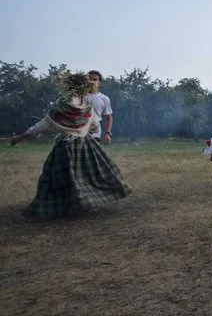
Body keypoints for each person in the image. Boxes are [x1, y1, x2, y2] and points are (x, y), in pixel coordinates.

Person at [10, 72, 131, 220]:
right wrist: (85, 129)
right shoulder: (86, 105)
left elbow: (43, 124)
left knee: (61, 179)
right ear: (84, 86)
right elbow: (94, 126)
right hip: (85, 144)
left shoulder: (62, 104)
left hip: (65, 147)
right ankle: (87, 202)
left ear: (69, 86)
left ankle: (62, 207)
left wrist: (20, 137)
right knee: (91, 174)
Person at [87, 70, 113, 144]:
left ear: (99, 83)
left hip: (95, 133)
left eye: (95, 79)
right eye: (89, 79)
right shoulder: (80, 96)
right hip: (79, 132)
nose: (91, 82)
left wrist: (107, 133)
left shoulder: (104, 98)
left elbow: (109, 118)